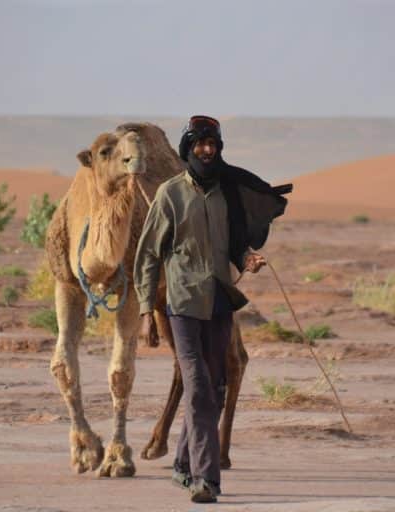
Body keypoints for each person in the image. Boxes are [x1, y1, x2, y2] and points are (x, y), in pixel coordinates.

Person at [134, 115, 290, 503]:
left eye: (212, 145)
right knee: (199, 386)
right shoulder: (170, 194)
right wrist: (143, 312)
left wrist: (247, 259)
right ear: (189, 148)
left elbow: (235, 244)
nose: (207, 150)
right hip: (183, 303)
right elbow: (148, 255)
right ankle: (207, 479)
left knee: (215, 389)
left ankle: (184, 465)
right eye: (200, 144)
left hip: (220, 301)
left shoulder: (227, 194)